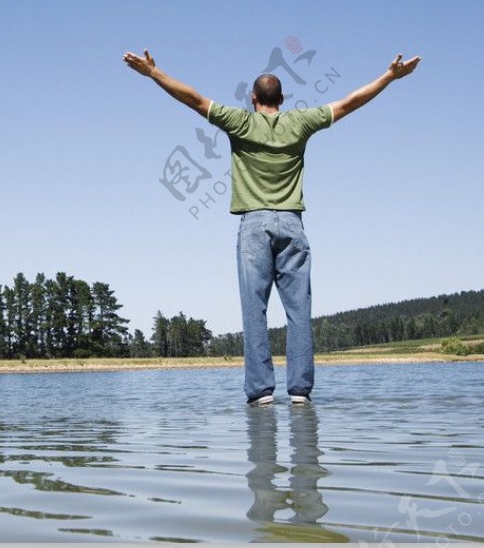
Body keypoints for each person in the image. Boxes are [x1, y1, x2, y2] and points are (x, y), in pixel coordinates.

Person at [121, 48, 422, 405]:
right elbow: (349, 103)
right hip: (292, 225)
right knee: (298, 312)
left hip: (254, 225)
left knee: (255, 311)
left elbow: (194, 99)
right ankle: (299, 393)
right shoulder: (300, 122)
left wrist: (154, 73)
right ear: (281, 99)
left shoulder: (240, 122)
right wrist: (389, 76)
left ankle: (262, 393)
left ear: (253, 98)